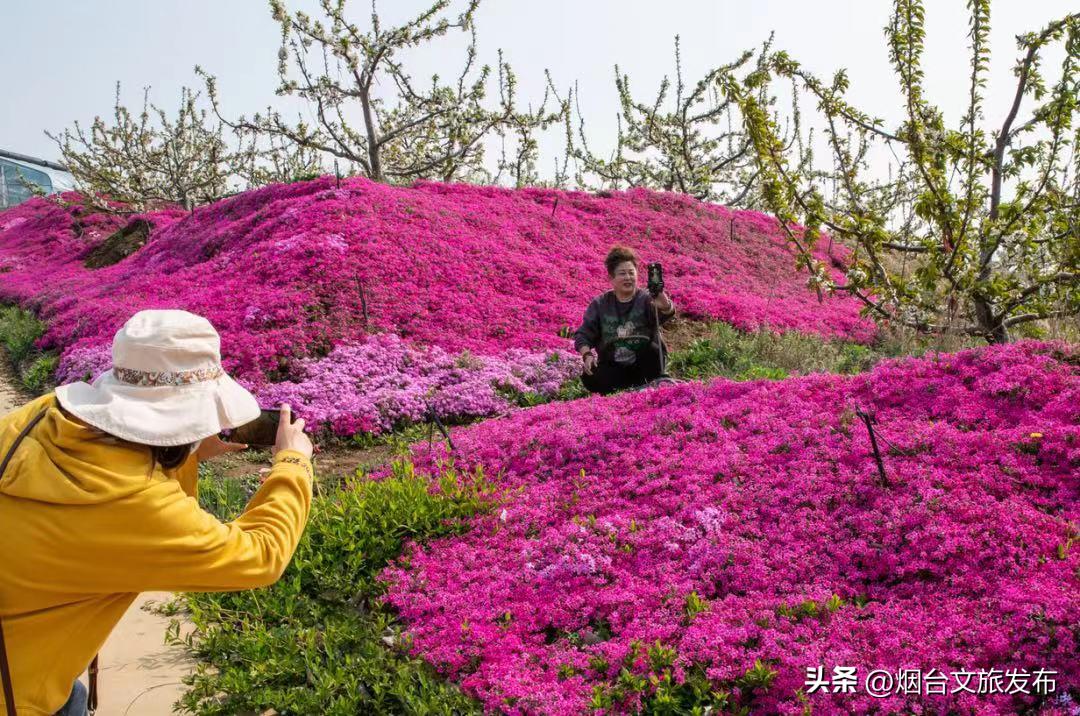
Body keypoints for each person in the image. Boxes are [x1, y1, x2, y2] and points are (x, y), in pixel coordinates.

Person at [0, 309, 314, 716]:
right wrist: (293, 463)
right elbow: (261, 555)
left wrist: (184, 447)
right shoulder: (135, 504)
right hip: (18, 693)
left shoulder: (43, 416)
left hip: (27, 645)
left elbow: (132, 471)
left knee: (70, 696)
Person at [574, 245, 676, 395]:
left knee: (652, 351)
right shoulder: (600, 304)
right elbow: (583, 335)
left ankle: (646, 385)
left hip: (645, 365)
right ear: (611, 278)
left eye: (631, 273)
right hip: (614, 366)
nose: (628, 277)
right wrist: (587, 355)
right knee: (591, 375)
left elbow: (666, 313)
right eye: (622, 273)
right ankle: (623, 392)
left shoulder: (646, 298)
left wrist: (664, 303)